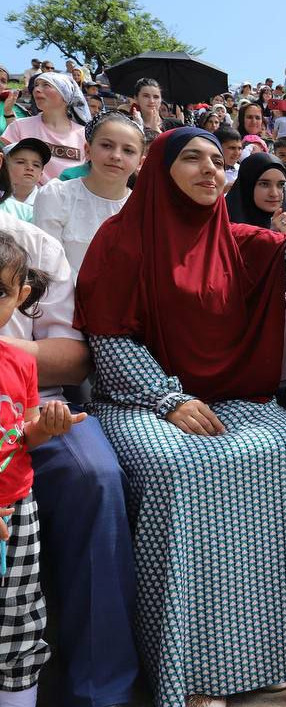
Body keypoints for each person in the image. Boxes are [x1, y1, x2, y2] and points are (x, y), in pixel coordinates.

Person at [74, 124, 286, 706]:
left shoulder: (238, 240)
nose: (209, 170)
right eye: (191, 158)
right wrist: (170, 399)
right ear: (160, 169)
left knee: (284, 449)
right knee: (182, 468)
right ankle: (190, 674)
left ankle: (268, 653)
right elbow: (110, 342)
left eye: (217, 160)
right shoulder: (121, 241)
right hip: (137, 398)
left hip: (229, 397)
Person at [0, 233, 89, 707]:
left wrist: (45, 429)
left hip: (17, 513)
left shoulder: (18, 361)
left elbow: (22, 431)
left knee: (18, 625)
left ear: (21, 297)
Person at [33, 112, 141, 278]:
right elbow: (48, 267)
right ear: (87, 150)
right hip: (64, 300)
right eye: (106, 145)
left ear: (140, 161)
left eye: (128, 150)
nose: (116, 156)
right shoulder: (57, 196)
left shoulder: (143, 208)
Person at [0, 73, 88, 182]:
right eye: (36, 85)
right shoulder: (19, 127)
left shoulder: (84, 135)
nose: (37, 89)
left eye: (46, 85)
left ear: (65, 94)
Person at [225, 152, 286, 232]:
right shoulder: (224, 225)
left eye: (281, 185)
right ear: (247, 186)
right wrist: (272, 237)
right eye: (264, 184)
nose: (274, 194)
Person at [0, 139, 48, 223]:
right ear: (3, 165)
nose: (30, 168)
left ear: (41, 174)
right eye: (20, 162)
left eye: (36, 165)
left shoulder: (47, 201)